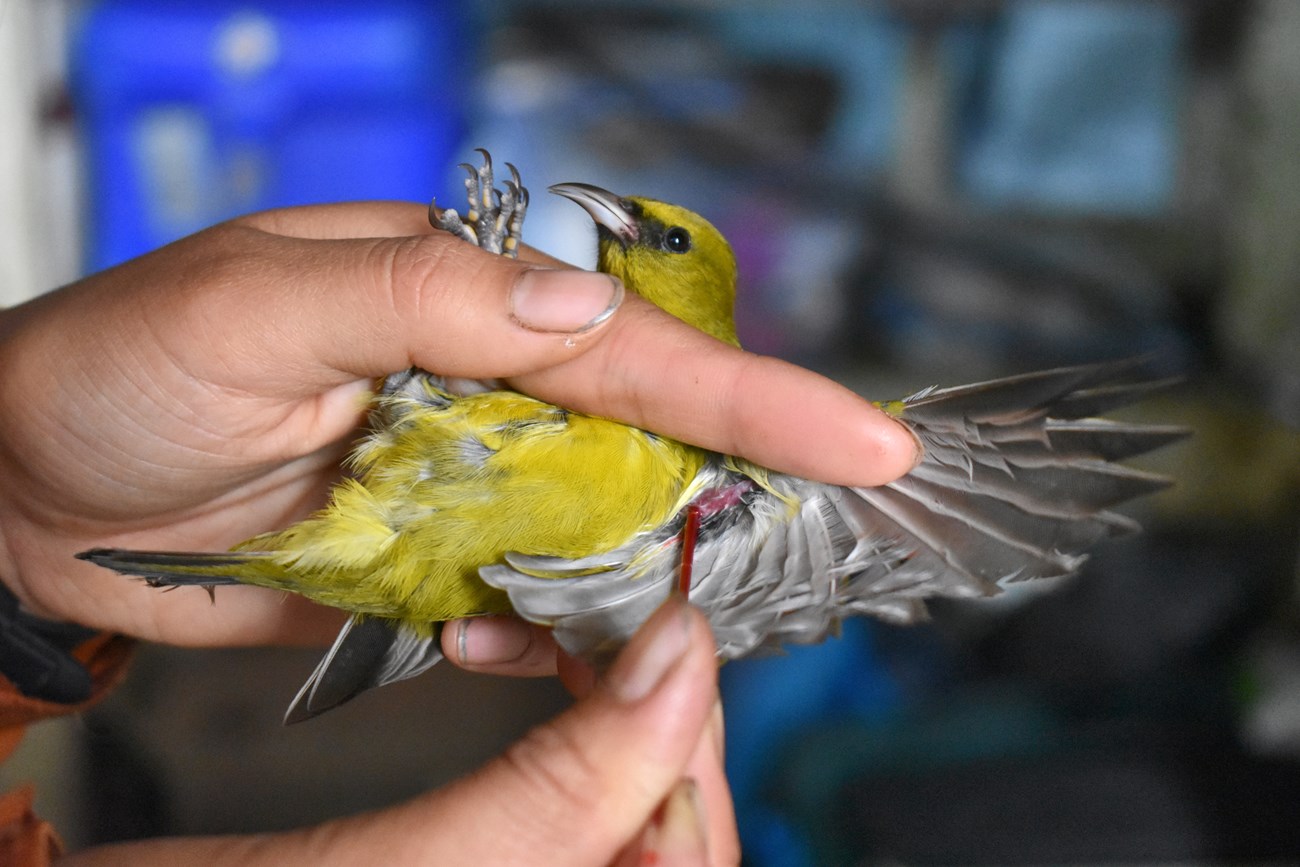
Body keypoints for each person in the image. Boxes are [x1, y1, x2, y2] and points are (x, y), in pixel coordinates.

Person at [0, 201, 920, 865]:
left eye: (662, 236)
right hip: (431, 524)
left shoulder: (698, 465)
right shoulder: (611, 373)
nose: (620, 223)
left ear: (701, 287)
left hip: (434, 530)